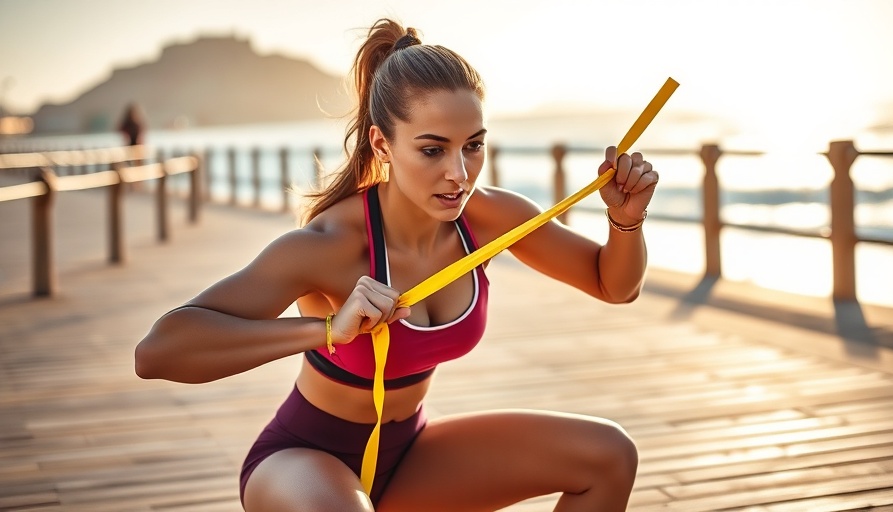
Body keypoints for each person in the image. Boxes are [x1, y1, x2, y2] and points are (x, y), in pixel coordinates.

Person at [135, 18, 658, 512]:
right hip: (304, 460)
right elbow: (158, 353)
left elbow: (612, 285)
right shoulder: (329, 246)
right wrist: (326, 330)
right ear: (382, 143)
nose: (459, 174)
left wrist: (625, 222)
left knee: (609, 455)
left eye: (473, 146)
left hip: (410, 455)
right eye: (433, 150)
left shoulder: (490, 217)